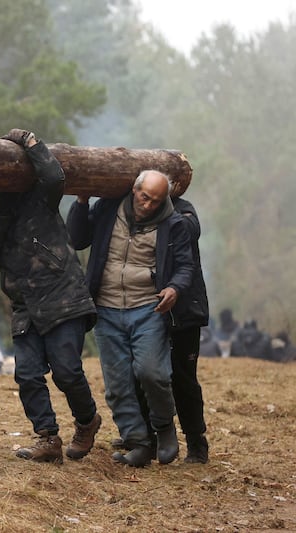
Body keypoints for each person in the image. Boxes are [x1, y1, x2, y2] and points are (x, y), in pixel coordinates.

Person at [0, 128, 101, 465]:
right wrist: (0, 213)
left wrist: (30, 142)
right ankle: (47, 437)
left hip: (64, 297)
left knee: (67, 372)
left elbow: (54, 178)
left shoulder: (37, 197)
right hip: (26, 307)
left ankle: (87, 421)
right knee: (26, 374)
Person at [67, 170, 194, 467]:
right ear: (134, 189)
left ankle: (164, 427)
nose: (148, 205)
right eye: (144, 196)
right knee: (117, 383)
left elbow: (186, 267)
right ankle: (137, 441)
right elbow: (77, 237)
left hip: (148, 308)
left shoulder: (174, 223)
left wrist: (175, 288)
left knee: (153, 373)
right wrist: (82, 202)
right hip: (107, 308)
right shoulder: (109, 208)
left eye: (156, 200)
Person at [168, 197, 210, 463]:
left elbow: (190, 230)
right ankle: (146, 436)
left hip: (185, 311)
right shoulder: (130, 208)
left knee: (184, 380)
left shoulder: (183, 210)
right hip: (149, 308)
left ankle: (196, 443)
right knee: (141, 374)